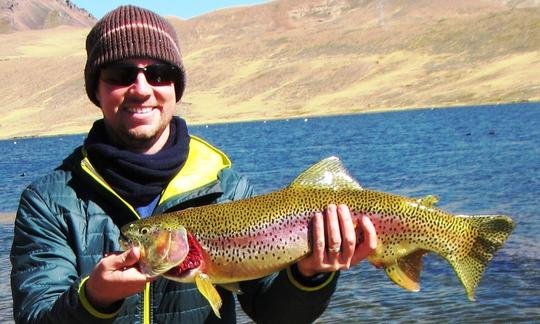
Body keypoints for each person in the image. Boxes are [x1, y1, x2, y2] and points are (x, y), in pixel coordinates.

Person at [10, 5, 377, 324]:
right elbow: (35, 315)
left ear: (175, 88)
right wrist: (94, 298)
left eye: (157, 74)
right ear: (97, 90)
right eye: (121, 75)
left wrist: (309, 273)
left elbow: (276, 315)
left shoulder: (226, 188)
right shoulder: (49, 202)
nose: (141, 89)